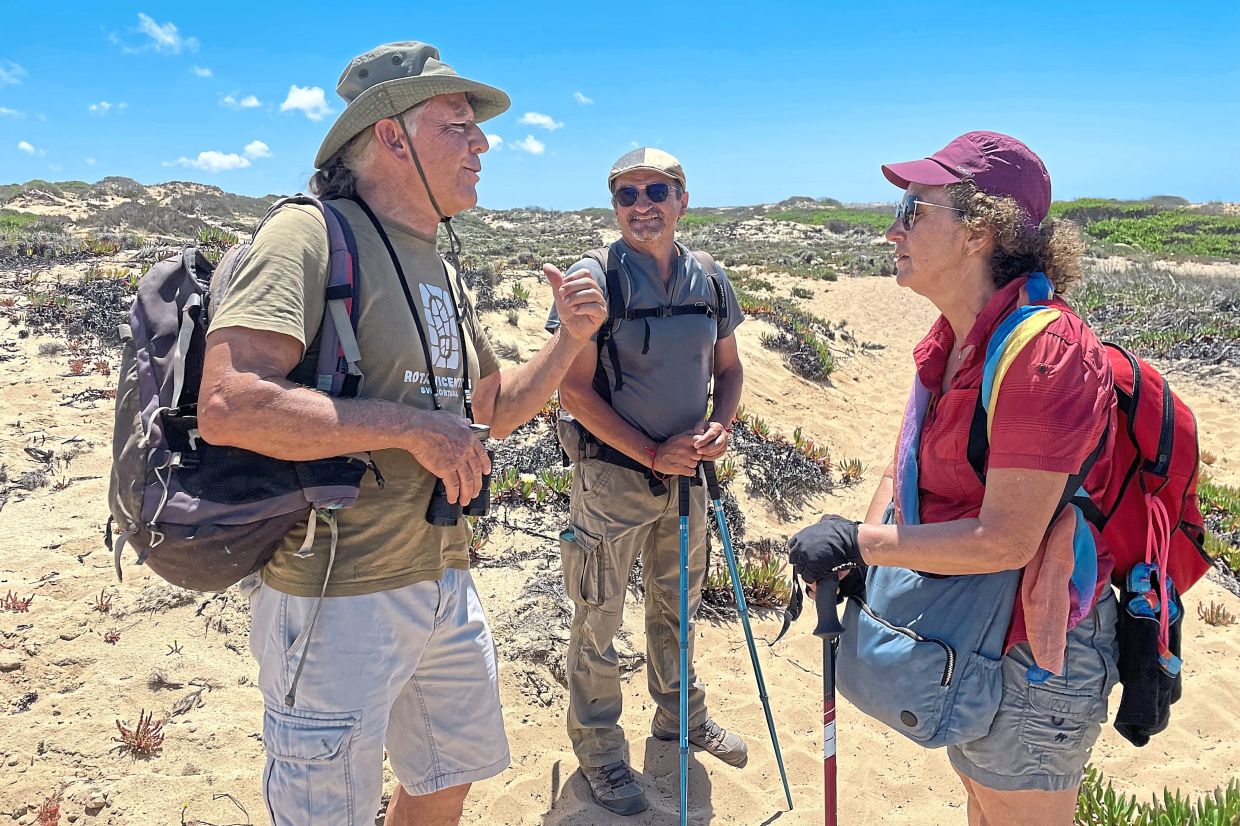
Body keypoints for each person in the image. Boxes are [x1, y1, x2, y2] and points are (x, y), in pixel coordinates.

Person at [197, 41, 606, 826]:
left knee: (447, 776)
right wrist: (413, 430)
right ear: (390, 135)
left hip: (443, 580)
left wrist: (569, 341)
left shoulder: (440, 265)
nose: (482, 144)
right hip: (334, 598)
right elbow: (230, 401)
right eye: (457, 125)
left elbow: (490, 408)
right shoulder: (308, 236)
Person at [787, 132, 1120, 826]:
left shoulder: (1044, 353)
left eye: (913, 209)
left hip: (1032, 650)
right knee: (981, 801)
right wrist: (864, 548)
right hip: (973, 635)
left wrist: (863, 545)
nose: (893, 228)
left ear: (979, 229)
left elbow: (1005, 541)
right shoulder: (953, 339)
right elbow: (900, 462)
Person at [549, 148, 747, 816]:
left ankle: (680, 720)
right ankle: (601, 754)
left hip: (689, 478)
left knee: (677, 609)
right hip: (613, 480)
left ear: (682, 199)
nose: (642, 205)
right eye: (626, 194)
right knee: (598, 619)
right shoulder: (596, 276)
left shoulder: (711, 277)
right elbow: (573, 391)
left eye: (657, 190)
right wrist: (648, 451)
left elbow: (731, 369)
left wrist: (720, 426)